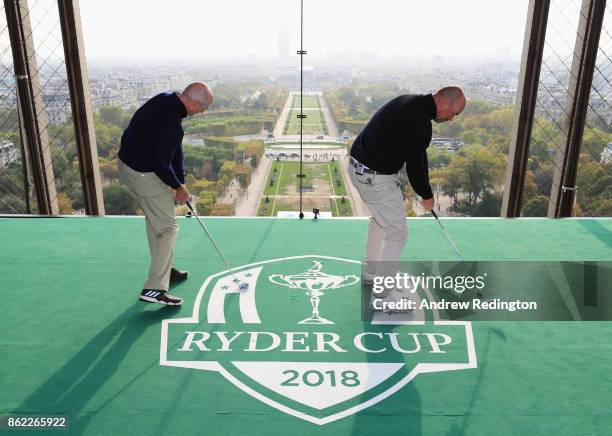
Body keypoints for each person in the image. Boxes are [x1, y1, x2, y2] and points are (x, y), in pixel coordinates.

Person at [348, 86, 466, 288]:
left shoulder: (410, 102)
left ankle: (372, 272)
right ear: (445, 103)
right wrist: (426, 196)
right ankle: (383, 294)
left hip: (357, 167)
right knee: (397, 233)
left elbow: (420, 155)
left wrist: (425, 190)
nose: (452, 118)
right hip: (375, 177)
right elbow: (414, 167)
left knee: (379, 220)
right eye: (455, 113)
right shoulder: (420, 122)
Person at [118, 82, 214, 306]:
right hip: (143, 174)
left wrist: (180, 180)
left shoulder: (166, 99)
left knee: (157, 223)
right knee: (168, 228)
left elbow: (172, 150)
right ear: (193, 102)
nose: (202, 112)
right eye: (203, 108)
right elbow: (162, 164)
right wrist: (178, 188)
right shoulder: (171, 124)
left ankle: (165, 271)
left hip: (128, 165)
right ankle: (154, 288)